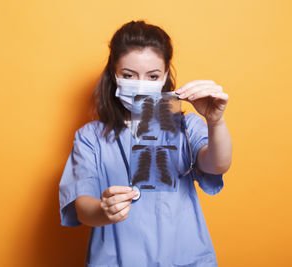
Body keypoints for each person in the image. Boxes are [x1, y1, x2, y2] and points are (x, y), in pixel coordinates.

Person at [58, 20, 232, 267]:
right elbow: (82, 205)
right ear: (114, 75)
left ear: (164, 78)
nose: (141, 83)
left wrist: (216, 121)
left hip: (185, 258)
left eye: (152, 76)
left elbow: (217, 164)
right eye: (129, 75)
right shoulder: (90, 137)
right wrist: (103, 210)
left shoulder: (186, 126)